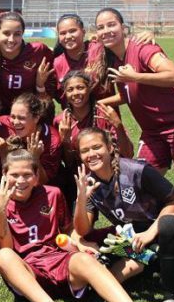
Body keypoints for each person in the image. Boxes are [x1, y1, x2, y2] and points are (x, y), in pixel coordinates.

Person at [0, 149, 174, 302]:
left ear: (36, 176)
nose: (20, 180)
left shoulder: (52, 194)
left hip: (57, 261)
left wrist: (79, 245)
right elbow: (6, 248)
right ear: (5, 175)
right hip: (27, 273)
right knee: (3, 257)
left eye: (27, 175)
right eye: (14, 175)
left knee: (86, 258)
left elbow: (67, 232)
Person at [94, 8, 174, 292]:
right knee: (135, 183)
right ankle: (150, 245)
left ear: (123, 27)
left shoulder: (142, 47)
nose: (106, 31)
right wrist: (102, 103)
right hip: (153, 132)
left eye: (111, 24)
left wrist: (136, 76)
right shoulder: (115, 59)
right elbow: (129, 93)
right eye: (100, 27)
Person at [73, 127, 174, 302]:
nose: (91, 154)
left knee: (167, 226)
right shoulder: (89, 183)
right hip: (138, 241)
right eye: (85, 150)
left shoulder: (136, 170)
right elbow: (82, 230)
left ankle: (170, 299)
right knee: (106, 282)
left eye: (97, 147)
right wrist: (82, 199)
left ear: (109, 148)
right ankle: (151, 262)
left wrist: (151, 232)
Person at [52, 70, 133, 211]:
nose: (76, 93)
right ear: (65, 93)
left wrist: (118, 126)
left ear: (89, 88)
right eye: (70, 89)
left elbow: (128, 153)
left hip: (111, 174)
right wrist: (65, 141)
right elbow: (69, 163)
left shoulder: (104, 114)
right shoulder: (61, 121)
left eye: (80, 87)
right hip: (81, 178)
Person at [52, 14, 154, 109]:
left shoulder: (100, 50)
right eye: (63, 33)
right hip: (77, 122)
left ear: (83, 32)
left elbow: (123, 43)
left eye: (73, 31)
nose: (68, 36)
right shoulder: (57, 63)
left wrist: (146, 34)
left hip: (106, 118)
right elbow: (60, 99)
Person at [0, 11, 56, 115]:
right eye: (6, 33)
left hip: (29, 118)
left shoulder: (38, 51)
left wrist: (40, 86)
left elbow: (49, 96)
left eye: (17, 34)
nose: (11, 39)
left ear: (23, 34)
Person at [0, 93, 62, 186]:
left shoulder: (51, 140)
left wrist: (35, 157)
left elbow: (41, 181)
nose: (15, 122)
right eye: (12, 116)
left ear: (36, 118)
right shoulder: (4, 123)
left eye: (21, 118)